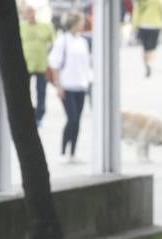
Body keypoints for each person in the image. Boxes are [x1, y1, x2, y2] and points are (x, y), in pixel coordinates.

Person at [50, 13, 92, 161]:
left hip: (81, 85)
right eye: (81, 22)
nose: (83, 24)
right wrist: (58, 85)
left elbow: (87, 64)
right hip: (67, 85)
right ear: (73, 23)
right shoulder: (62, 41)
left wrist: (89, 82)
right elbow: (54, 64)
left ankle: (73, 151)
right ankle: (63, 150)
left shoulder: (83, 41)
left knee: (78, 120)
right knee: (72, 118)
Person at [19, 4, 54, 127]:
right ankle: (27, 115)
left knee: (41, 92)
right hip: (26, 65)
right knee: (25, 92)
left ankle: (39, 116)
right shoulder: (21, 27)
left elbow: (54, 42)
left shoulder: (45, 27)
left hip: (41, 65)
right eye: (27, 13)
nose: (30, 15)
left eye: (31, 12)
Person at [131, 0, 162, 78]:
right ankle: (150, 63)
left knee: (145, 48)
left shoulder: (140, 2)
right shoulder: (157, 1)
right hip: (155, 25)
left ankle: (146, 63)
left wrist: (134, 26)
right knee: (152, 48)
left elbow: (136, 13)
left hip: (143, 25)